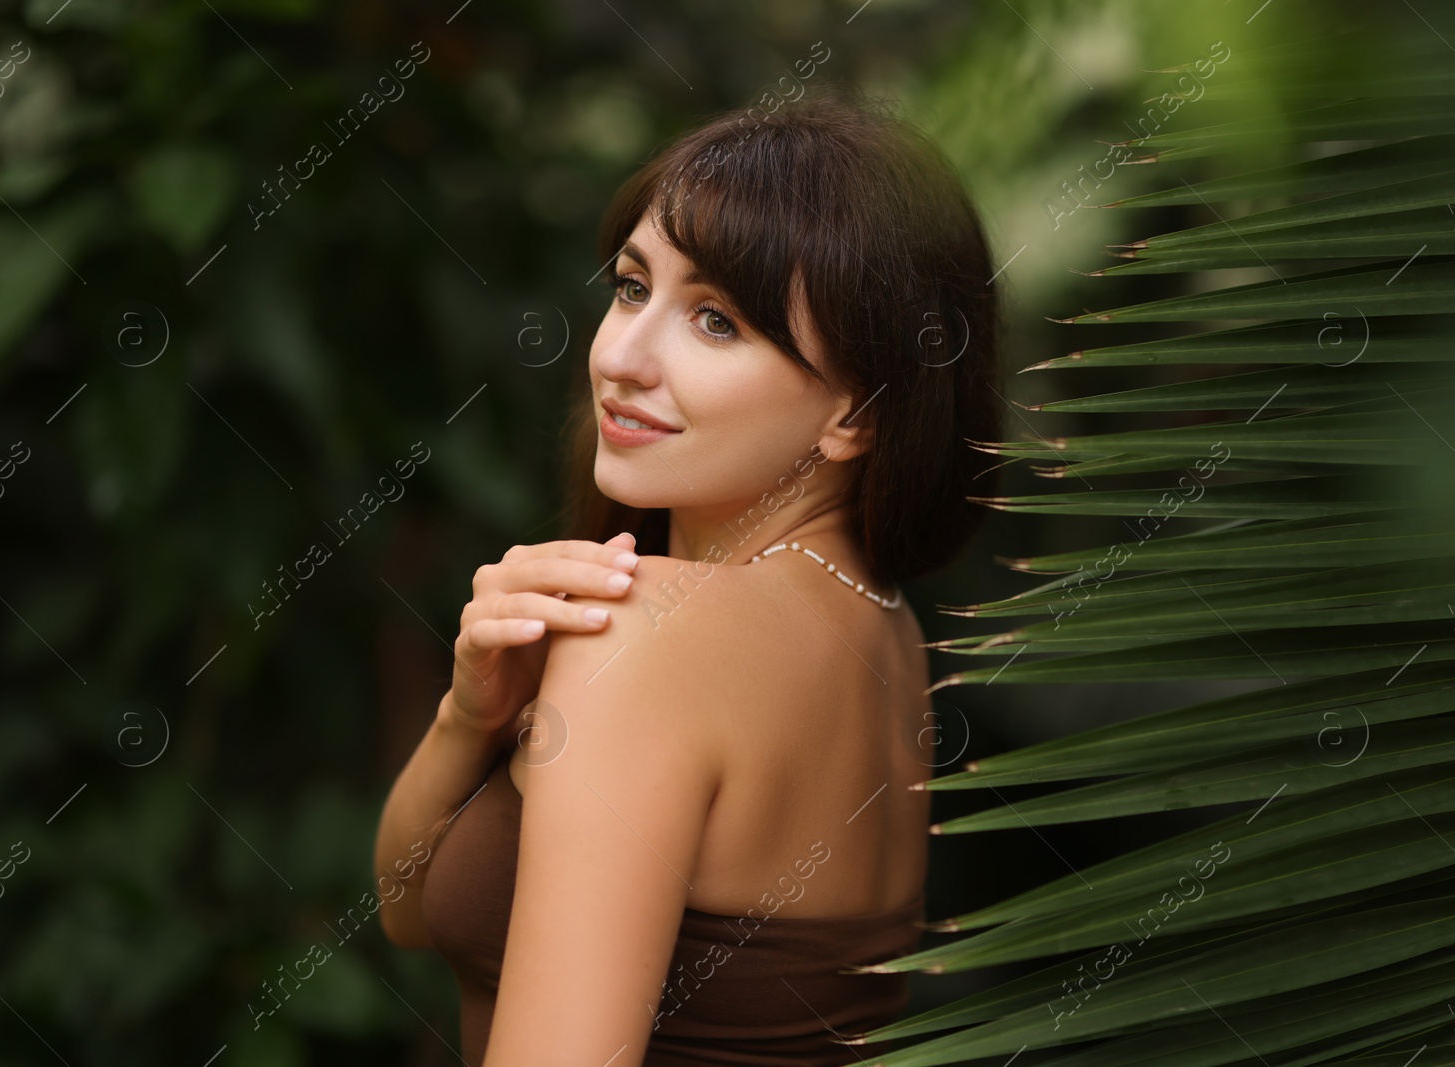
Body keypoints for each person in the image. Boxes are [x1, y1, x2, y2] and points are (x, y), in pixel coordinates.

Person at [374, 83, 1002, 1066]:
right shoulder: (881, 630)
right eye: (632, 287)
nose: (623, 355)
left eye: (716, 321)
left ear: (856, 412)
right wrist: (471, 715)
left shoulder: (651, 635)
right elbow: (412, 906)